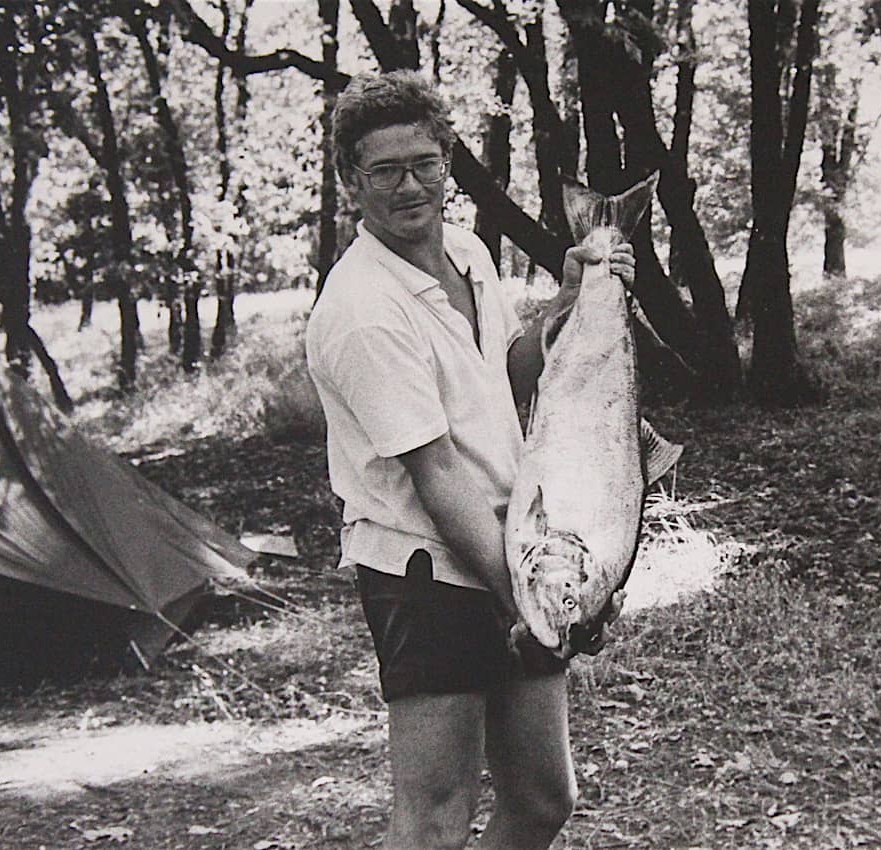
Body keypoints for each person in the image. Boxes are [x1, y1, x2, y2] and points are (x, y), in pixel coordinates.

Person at [304, 70, 635, 850]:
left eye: (424, 162)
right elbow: (437, 473)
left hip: (515, 542)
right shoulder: (361, 312)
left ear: (448, 161)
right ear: (351, 182)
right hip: (427, 574)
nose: (409, 185)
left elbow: (507, 375)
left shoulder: (466, 251)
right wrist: (527, 599)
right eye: (383, 170)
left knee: (541, 801)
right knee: (434, 821)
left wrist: (568, 300)